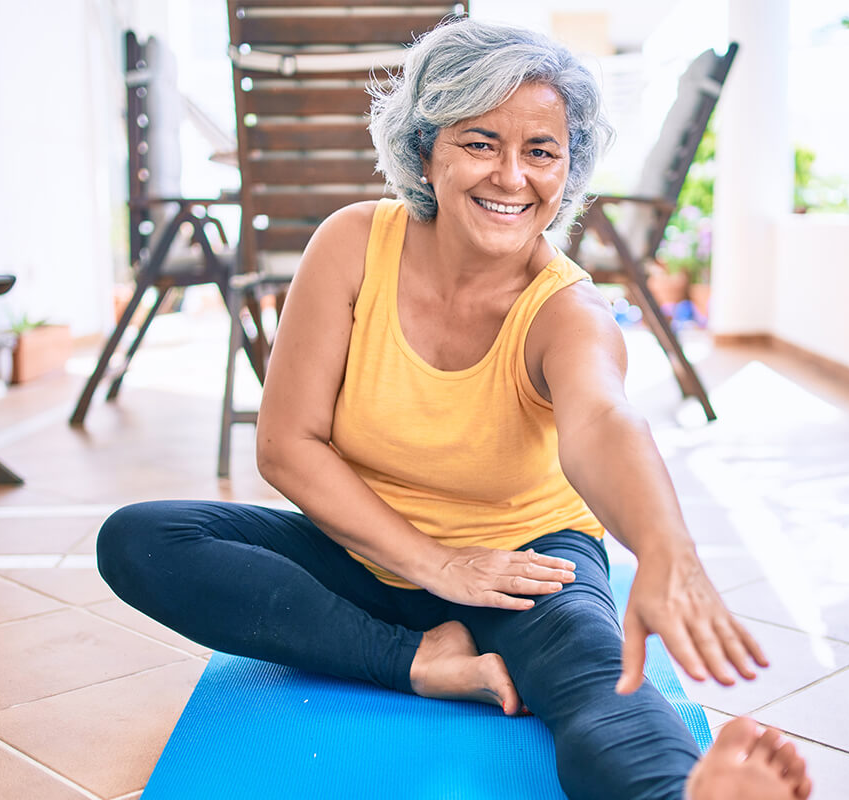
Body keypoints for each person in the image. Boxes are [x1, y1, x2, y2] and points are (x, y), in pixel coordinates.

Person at [98, 18, 811, 800]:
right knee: (143, 539)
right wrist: (435, 566)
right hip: (363, 549)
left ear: (566, 172)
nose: (512, 177)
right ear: (423, 148)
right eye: (480, 142)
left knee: (596, 680)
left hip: (520, 564)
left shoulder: (567, 311)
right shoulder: (351, 245)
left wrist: (664, 547)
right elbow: (287, 445)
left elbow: (604, 422)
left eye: (541, 151)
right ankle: (419, 659)